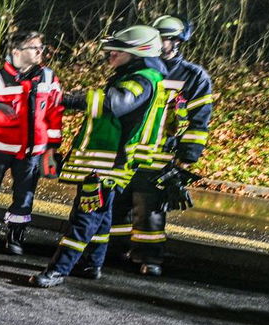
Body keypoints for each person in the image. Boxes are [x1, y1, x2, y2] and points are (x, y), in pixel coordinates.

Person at [31, 25, 172, 288]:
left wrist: (70, 100)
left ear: (137, 52)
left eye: (117, 50)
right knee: (103, 216)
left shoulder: (142, 79)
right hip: (110, 162)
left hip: (107, 164)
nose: (110, 55)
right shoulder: (142, 76)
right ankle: (91, 264)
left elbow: (115, 103)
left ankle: (58, 270)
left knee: (85, 216)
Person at [108, 14, 215, 276]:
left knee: (150, 207)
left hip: (160, 152)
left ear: (177, 42)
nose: (159, 42)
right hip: (127, 148)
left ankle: (148, 257)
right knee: (117, 203)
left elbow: (199, 119)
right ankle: (114, 251)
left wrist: (187, 154)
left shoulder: (192, 76)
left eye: (164, 38)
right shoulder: (135, 68)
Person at [0, 30, 64, 254]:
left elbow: (55, 112)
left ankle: (15, 238)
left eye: (41, 48)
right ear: (16, 51)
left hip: (32, 152)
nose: (39, 52)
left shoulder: (48, 77)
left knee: (24, 197)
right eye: (34, 47)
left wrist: (53, 147)